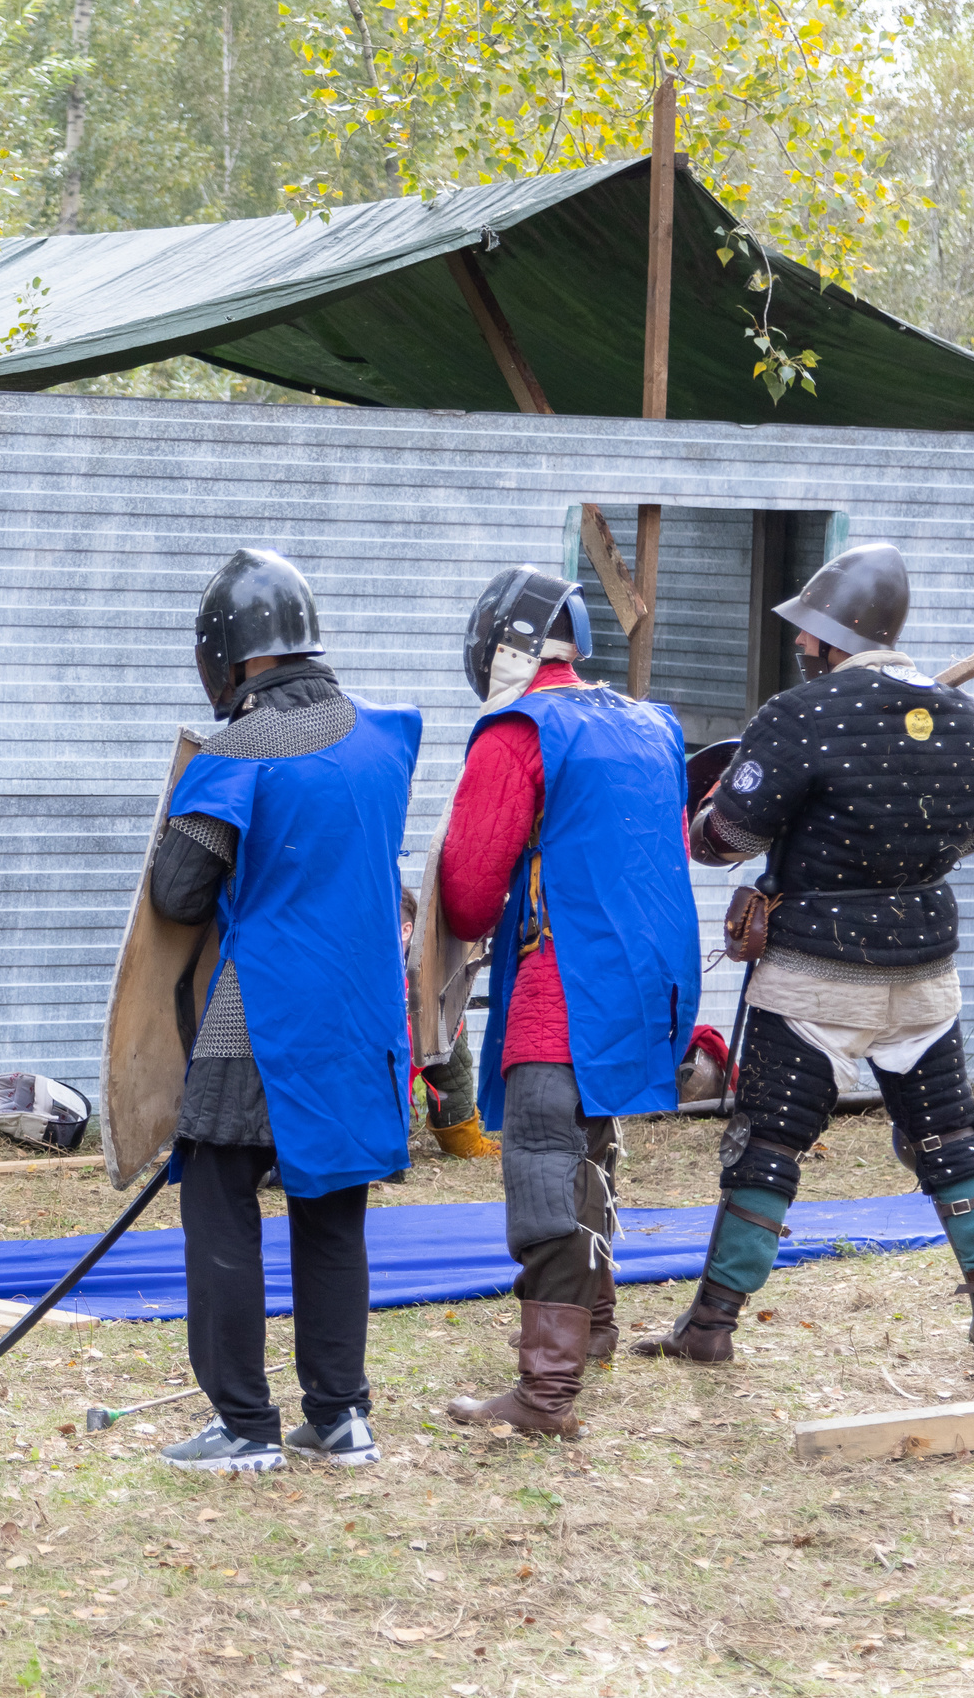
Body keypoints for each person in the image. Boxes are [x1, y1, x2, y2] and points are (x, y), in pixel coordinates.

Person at [635, 543, 974, 1366]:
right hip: (925, 970)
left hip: (815, 972)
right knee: (951, 1135)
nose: (802, 643)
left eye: (810, 631)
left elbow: (729, 838)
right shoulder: (960, 714)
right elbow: (973, 831)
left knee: (767, 1143)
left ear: (835, 633)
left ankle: (710, 1326)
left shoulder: (798, 714)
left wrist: (705, 812)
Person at [143, 548, 420, 1473]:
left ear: (231, 652)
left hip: (262, 1013)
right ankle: (340, 1417)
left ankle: (243, 1425)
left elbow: (179, 894)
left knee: (219, 1195)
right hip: (363, 1014)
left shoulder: (241, 751)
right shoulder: (385, 737)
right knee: (332, 1206)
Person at [437, 566, 702, 1435]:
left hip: (566, 981)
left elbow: (469, 892)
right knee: (592, 1148)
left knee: (546, 1168)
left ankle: (545, 1393)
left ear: (502, 645)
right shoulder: (653, 724)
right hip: (646, 983)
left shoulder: (519, 731)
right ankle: (597, 1326)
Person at [405, 887, 495, 1159]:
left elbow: (452, 1075)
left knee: (449, 1033)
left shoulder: (425, 980)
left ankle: (461, 1138)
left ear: (406, 931)